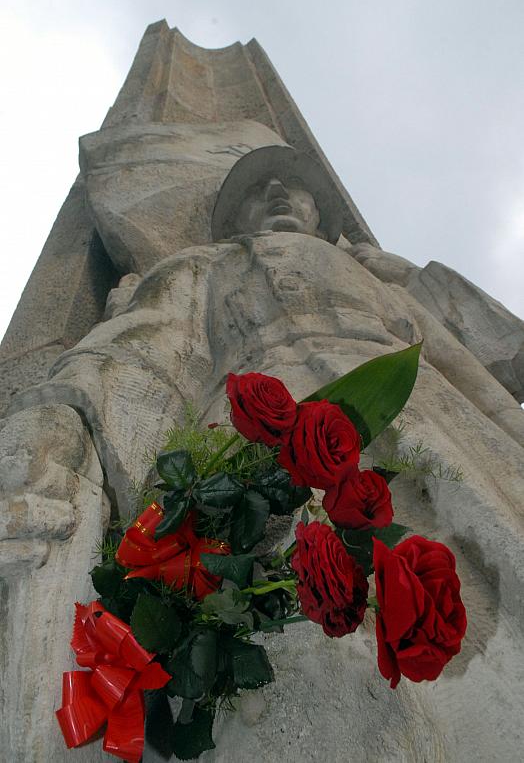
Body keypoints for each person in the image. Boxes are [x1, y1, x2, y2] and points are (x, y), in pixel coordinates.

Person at [2, 143, 524, 761]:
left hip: (440, 432)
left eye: (294, 185)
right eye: (258, 188)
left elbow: (474, 370)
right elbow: (146, 349)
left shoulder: (381, 277)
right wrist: (60, 420)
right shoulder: (211, 263)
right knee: (310, 675)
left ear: (324, 218)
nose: (278, 193)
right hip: (269, 447)